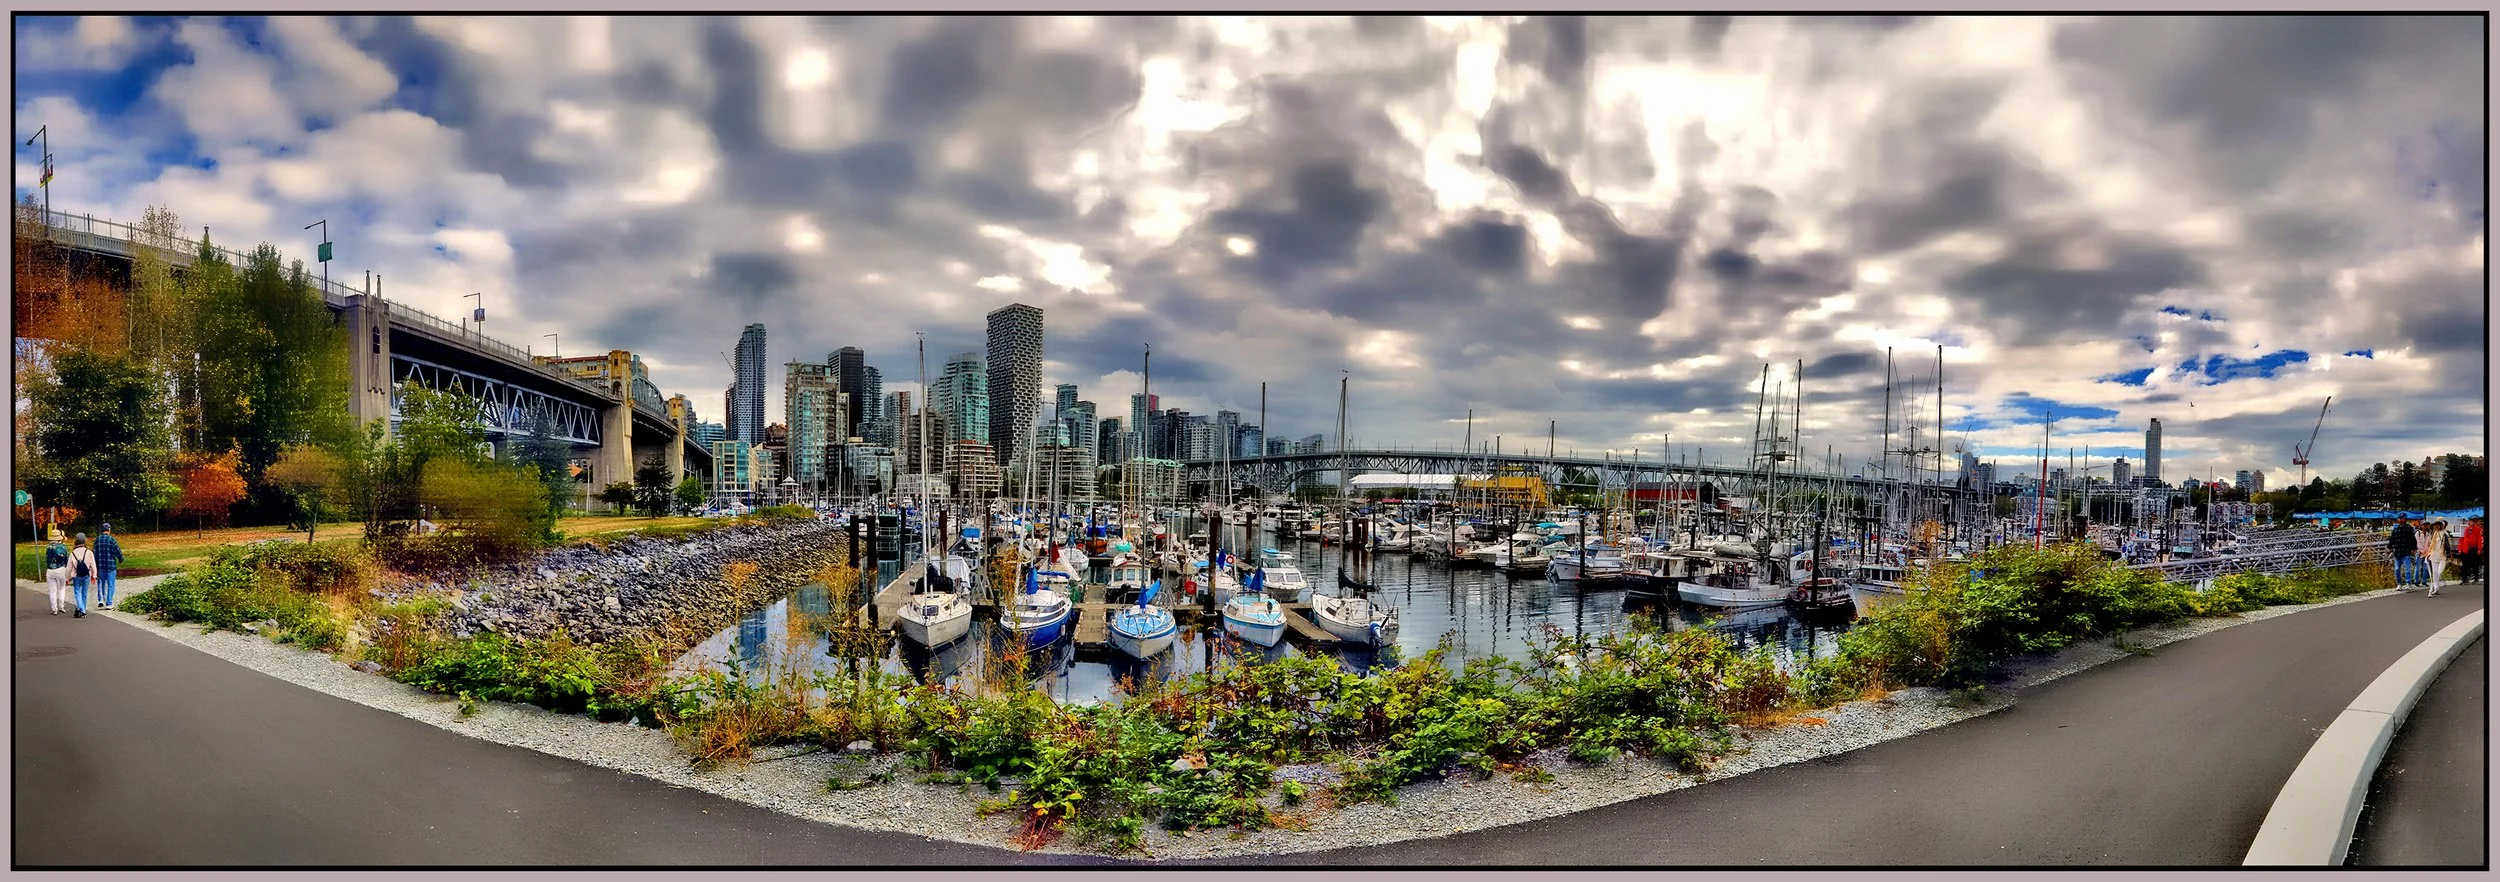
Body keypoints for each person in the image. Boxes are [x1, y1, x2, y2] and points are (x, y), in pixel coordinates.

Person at [66, 533, 98, 618]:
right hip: (86, 575)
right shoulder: (89, 552)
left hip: (76, 575)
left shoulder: (73, 553)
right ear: (84, 541)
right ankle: (83, 609)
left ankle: (81, 609)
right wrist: (94, 576)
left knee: (77, 592)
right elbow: (93, 565)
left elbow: (69, 567)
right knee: (84, 593)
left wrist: (67, 578)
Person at [94, 522, 123, 610]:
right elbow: (117, 551)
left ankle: (103, 598)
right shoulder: (112, 540)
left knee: (103, 584)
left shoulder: (97, 540)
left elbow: (95, 553)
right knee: (111, 585)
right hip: (110, 566)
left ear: (102, 530)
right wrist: (121, 559)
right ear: (109, 530)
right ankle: (109, 603)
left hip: (101, 566)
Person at [2419, 519, 2450, 597]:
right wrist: (2428, 553)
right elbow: (2430, 545)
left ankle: (2436, 585)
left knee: (2439, 571)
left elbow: (2447, 545)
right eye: (2435, 525)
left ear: (2440, 526)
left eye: (2438, 525)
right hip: (2433, 554)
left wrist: (2449, 553)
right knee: (2435, 572)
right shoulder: (2433, 534)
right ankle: (2436, 588)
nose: (2436, 526)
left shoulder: (2444, 534)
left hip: (2441, 555)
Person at [42, 534, 69, 615]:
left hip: (50, 570)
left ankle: (54, 609)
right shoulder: (63, 547)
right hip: (60, 569)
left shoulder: (48, 547)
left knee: (52, 590)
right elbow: (66, 559)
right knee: (61, 588)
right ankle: (61, 606)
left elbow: (46, 558)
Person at [2387, 518, 2419, 588]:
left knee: (2407, 569)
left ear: (2405, 519)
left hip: (2406, 551)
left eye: (2403, 518)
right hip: (2397, 551)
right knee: (2397, 569)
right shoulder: (2395, 529)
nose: (2401, 520)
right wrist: (2389, 547)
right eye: (2400, 518)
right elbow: (2392, 539)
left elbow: (2413, 539)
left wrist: (2414, 548)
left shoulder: (2409, 528)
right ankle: (2399, 584)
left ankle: (2408, 583)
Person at [2459, 517, 2486, 584]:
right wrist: (2460, 549)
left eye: (2471, 521)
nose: (2470, 523)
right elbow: (2462, 540)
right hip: (2466, 549)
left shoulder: (2477, 529)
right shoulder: (2466, 530)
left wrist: (2479, 549)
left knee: (2475, 564)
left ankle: (2476, 579)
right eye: (2469, 521)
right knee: (2464, 565)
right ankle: (2464, 579)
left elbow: (2479, 540)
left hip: (2474, 548)